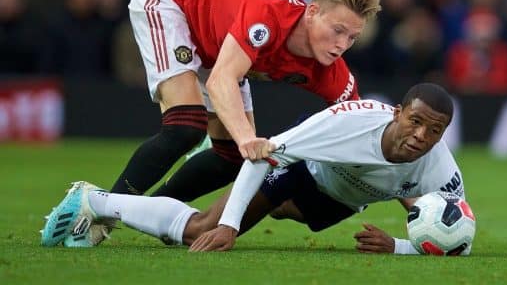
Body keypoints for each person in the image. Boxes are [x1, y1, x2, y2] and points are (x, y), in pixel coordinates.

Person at [42, 83, 469, 255]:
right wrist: (228, 225)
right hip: (305, 169)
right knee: (202, 228)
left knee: (283, 210)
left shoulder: (440, 168)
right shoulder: (348, 124)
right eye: (415, 121)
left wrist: (398, 246)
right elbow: (264, 154)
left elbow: (459, 241)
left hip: (337, 199)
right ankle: (93, 200)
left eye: (435, 130)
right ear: (397, 114)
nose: (421, 136)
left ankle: (250, 194)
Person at [106, 0, 380, 196]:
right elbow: (221, 80)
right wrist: (247, 138)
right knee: (186, 127)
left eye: (352, 37)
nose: (342, 45)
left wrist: (404, 188)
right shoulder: (267, 16)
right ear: (312, 12)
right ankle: (99, 207)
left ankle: (153, 211)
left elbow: (359, 127)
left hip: (218, 38)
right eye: (338, 30)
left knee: (233, 158)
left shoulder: (331, 68)